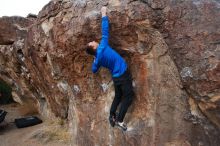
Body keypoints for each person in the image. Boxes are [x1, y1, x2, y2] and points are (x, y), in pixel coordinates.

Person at [85, 6, 134, 131]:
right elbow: (105, 31)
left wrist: (95, 59)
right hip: (123, 74)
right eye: (92, 43)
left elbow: (94, 70)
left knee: (118, 96)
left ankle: (112, 115)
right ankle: (120, 120)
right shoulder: (102, 47)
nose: (93, 41)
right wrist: (103, 14)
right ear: (94, 48)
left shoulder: (97, 58)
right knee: (128, 96)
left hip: (116, 77)